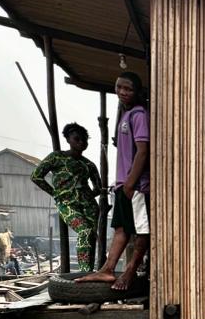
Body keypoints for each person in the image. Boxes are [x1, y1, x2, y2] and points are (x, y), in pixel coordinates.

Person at [82, 71, 149, 291]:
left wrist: (130, 183)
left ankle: (130, 271)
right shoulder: (125, 115)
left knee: (141, 230)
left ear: (137, 92)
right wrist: (123, 184)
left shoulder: (139, 115)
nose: (122, 92)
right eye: (119, 87)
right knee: (121, 229)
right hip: (122, 183)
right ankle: (107, 268)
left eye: (128, 88)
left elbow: (143, 152)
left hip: (136, 185)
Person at [31, 122, 102, 272]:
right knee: (85, 231)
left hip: (89, 205)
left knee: (91, 236)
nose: (81, 142)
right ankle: (84, 272)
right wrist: (55, 193)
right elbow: (36, 176)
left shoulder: (89, 164)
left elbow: (98, 188)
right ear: (68, 139)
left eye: (84, 140)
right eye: (77, 139)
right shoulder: (56, 157)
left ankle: (88, 271)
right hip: (66, 203)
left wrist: (89, 194)